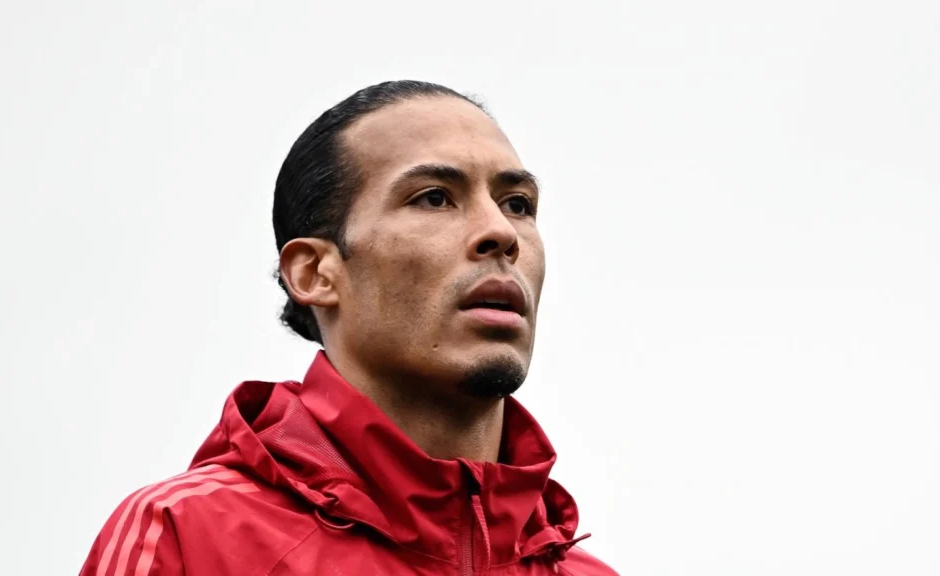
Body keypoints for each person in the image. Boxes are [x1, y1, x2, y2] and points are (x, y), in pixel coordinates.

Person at [80, 80, 618, 575]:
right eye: (434, 197)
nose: (501, 232)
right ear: (314, 273)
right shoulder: (186, 535)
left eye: (517, 204)